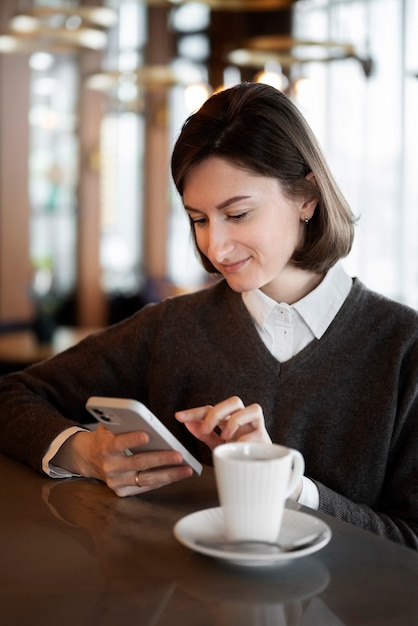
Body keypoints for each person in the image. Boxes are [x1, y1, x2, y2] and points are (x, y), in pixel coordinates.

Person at [0, 82, 417, 549]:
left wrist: (291, 489)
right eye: (199, 219)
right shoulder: (169, 328)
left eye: (237, 214)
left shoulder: (404, 348)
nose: (214, 246)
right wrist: (86, 452)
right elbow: (11, 394)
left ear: (307, 197)